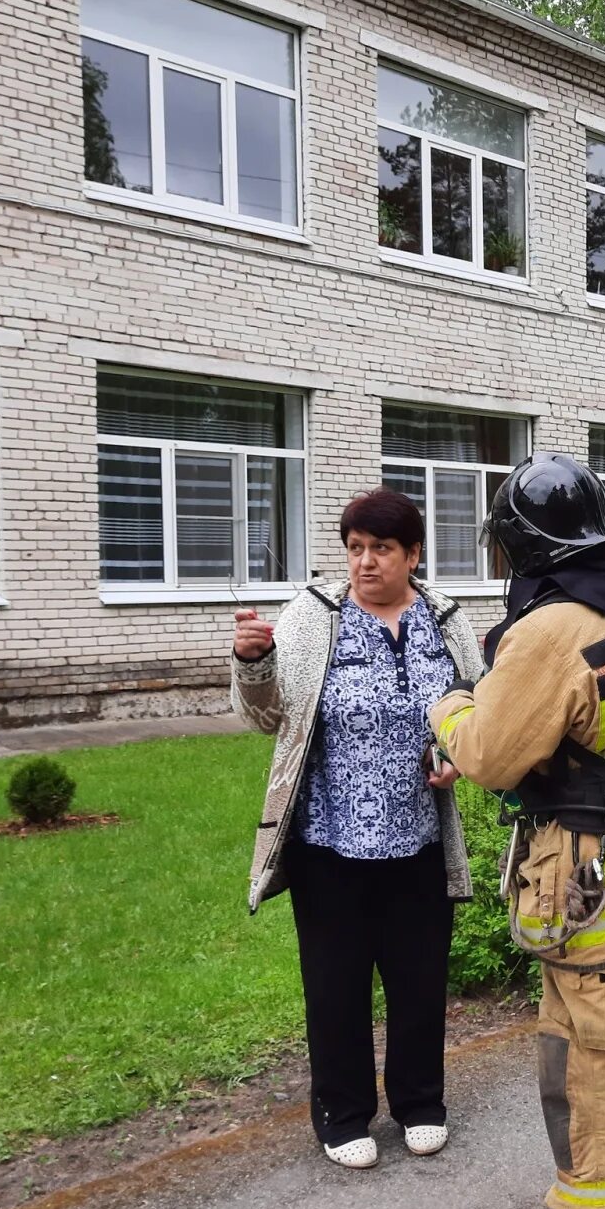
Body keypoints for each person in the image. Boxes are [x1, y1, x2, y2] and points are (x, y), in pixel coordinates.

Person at [428, 453, 605, 1209]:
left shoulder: (551, 628)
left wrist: (451, 704)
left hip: (585, 883)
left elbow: (492, 759)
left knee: (590, 1052)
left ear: (526, 544)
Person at [231, 489, 484, 1170]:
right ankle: (342, 1114)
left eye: (381, 549)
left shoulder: (445, 619)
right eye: (355, 549)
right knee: (336, 983)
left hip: (419, 841)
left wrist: (454, 757)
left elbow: (477, 708)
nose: (365, 563)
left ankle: (420, 1104)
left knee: (420, 978)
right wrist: (252, 663)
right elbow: (265, 716)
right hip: (330, 841)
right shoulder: (314, 619)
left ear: (413, 555)